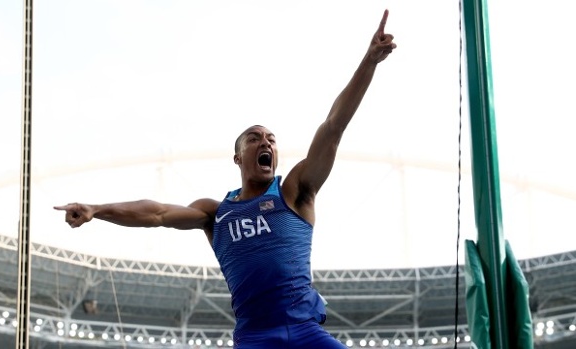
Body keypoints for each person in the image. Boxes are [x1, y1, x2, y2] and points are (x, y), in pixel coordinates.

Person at [55, 9, 396, 349]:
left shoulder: (295, 191)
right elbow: (156, 213)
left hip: (306, 332)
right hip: (254, 339)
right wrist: (96, 209)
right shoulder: (215, 214)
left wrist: (369, 62)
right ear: (237, 158)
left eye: (271, 139)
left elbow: (333, 126)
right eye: (254, 138)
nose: (266, 142)